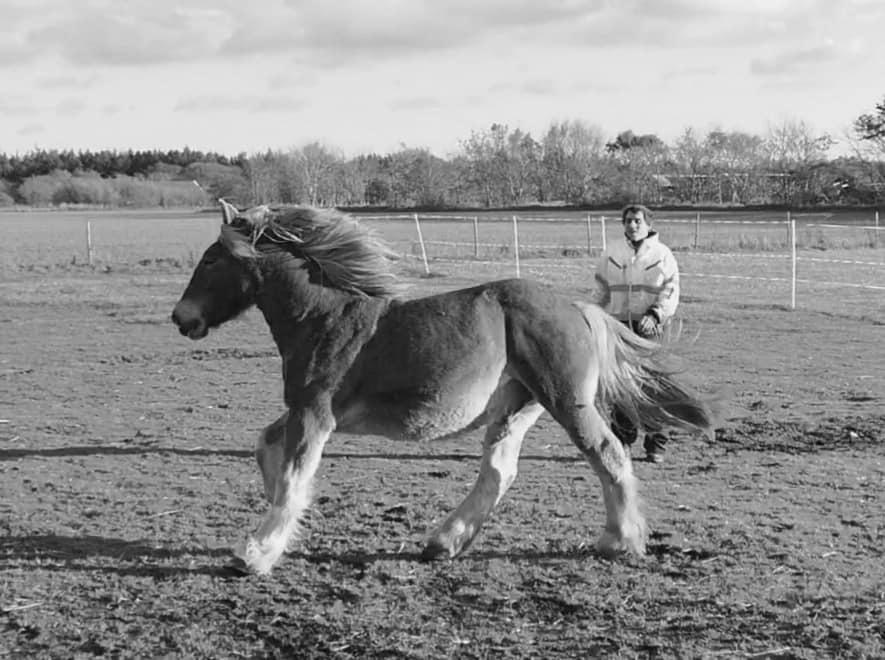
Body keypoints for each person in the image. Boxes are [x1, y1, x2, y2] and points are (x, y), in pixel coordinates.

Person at [590, 204, 680, 463]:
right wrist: (594, 315)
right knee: (621, 387)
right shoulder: (612, 252)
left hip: (651, 328)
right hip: (618, 327)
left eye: (638, 221)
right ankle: (622, 442)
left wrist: (656, 315)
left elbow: (670, 290)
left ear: (649, 224)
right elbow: (601, 288)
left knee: (652, 386)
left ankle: (656, 444)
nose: (632, 225)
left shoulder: (662, 255)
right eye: (628, 220)